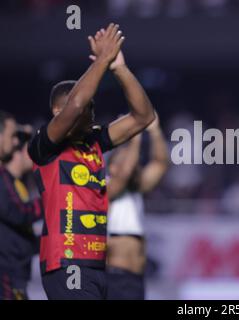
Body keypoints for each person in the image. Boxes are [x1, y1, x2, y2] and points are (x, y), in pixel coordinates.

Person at [27, 23, 156, 300]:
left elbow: (143, 117)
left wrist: (119, 68)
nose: (92, 113)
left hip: (98, 264)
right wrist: (100, 61)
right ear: (56, 111)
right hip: (65, 261)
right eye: (88, 108)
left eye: (94, 108)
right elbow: (76, 104)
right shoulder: (45, 145)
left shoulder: (95, 141)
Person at [106, 114, 169, 300]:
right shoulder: (107, 186)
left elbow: (160, 163)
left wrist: (154, 130)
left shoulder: (135, 189)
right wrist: (136, 131)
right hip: (114, 277)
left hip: (136, 278)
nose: (133, 163)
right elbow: (125, 173)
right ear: (112, 167)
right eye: (124, 159)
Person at [0, 127, 43, 300]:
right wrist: (52, 199)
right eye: (30, 149)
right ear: (19, 151)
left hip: (17, 273)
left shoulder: (18, 184)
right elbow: (18, 213)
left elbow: (19, 235)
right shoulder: (3, 178)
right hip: (6, 273)